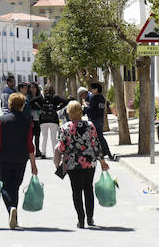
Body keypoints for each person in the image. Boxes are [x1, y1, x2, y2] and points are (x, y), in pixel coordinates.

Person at [55, 100, 109, 228]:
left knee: (76, 190)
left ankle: (81, 219)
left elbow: (61, 148)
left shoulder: (64, 128)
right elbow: (96, 145)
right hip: (89, 163)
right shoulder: (90, 125)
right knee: (88, 189)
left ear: (68, 112)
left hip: (72, 164)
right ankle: (90, 218)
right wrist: (102, 161)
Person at [0, 92, 38, 230]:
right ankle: (14, 215)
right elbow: (30, 144)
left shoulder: (3, 120)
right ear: (22, 105)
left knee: (5, 187)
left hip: (4, 158)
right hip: (21, 159)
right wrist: (33, 163)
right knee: (15, 187)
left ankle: (11, 209)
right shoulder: (26, 122)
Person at [85, 82, 111, 158]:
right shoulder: (102, 98)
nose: (91, 90)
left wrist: (86, 106)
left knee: (95, 137)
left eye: (92, 89)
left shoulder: (93, 98)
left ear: (96, 89)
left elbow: (91, 109)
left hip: (94, 120)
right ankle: (105, 152)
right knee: (100, 137)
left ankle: (104, 152)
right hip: (100, 119)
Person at [38, 84, 66, 157]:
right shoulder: (55, 97)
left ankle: (43, 153)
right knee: (53, 137)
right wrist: (58, 109)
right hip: (53, 120)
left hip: (43, 120)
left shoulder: (41, 98)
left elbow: (32, 101)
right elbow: (65, 101)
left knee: (44, 137)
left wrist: (39, 109)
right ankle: (55, 153)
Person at [28, 84, 44, 157]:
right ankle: (30, 151)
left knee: (37, 136)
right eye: (32, 87)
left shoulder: (40, 97)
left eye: (35, 87)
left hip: (38, 119)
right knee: (30, 137)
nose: (33, 89)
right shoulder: (28, 97)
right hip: (31, 119)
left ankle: (37, 150)